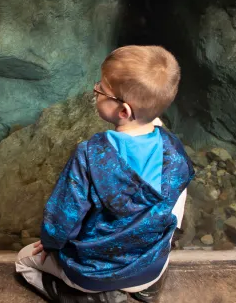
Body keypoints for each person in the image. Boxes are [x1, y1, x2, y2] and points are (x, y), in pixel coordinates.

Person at [15, 45, 194, 303]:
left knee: (24, 260)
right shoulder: (175, 153)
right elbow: (176, 206)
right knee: (174, 207)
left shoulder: (90, 155)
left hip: (91, 274)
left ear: (123, 112)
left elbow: (64, 215)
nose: (96, 90)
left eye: (101, 89)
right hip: (150, 267)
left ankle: (85, 297)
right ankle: (146, 289)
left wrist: (50, 242)